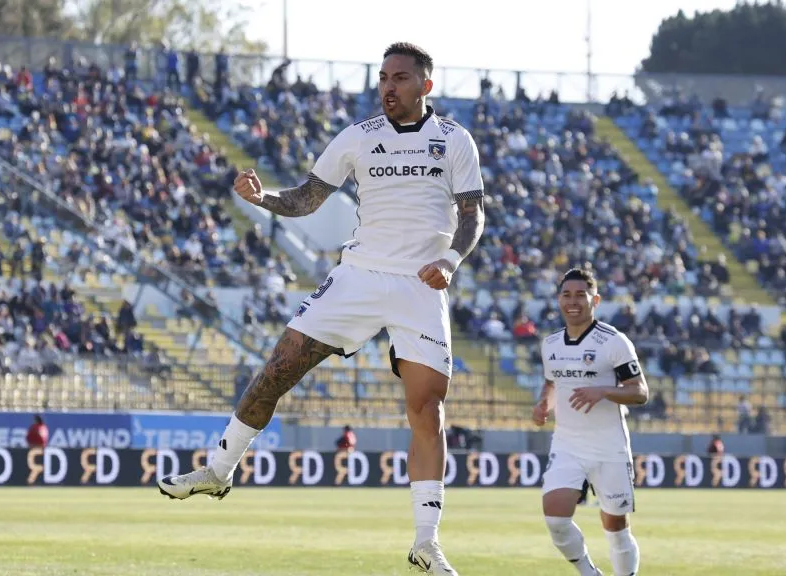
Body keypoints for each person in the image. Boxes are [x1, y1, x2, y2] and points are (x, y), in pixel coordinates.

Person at [157, 41, 485, 575]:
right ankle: (218, 469)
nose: (389, 87)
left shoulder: (454, 140)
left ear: (425, 85)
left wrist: (450, 260)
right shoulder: (358, 136)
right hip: (358, 276)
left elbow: (472, 215)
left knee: (428, 411)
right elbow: (308, 197)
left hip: (422, 285)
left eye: (400, 78)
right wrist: (263, 198)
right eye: (383, 77)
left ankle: (426, 543)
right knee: (278, 367)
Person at [533, 268, 648, 576]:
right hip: (567, 443)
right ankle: (589, 573)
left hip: (609, 445)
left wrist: (604, 391)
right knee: (555, 519)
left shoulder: (614, 341)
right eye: (566, 295)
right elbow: (552, 383)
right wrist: (544, 404)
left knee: (616, 526)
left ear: (594, 300)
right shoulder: (550, 344)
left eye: (580, 295)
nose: (573, 301)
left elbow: (640, 392)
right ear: (559, 299)